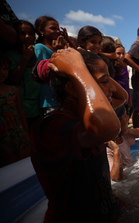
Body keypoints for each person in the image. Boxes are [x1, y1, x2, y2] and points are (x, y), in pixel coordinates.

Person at [30, 48, 127, 222]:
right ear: (73, 89)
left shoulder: (87, 116)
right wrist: (78, 69)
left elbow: (122, 96)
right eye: (104, 81)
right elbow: (108, 127)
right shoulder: (49, 126)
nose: (112, 87)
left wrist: (85, 65)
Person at [4, 20, 43, 127]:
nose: (27, 36)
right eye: (22, 33)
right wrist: (25, 58)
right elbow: (13, 79)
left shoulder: (38, 54)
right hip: (20, 111)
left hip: (39, 110)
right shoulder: (9, 56)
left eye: (31, 33)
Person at [0, 55, 30, 167]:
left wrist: (26, 131)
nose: (2, 72)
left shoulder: (13, 90)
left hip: (16, 131)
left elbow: (20, 111)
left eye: (5, 69)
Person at [34, 16, 68, 113]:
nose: (57, 31)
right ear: (41, 30)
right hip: (49, 98)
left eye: (58, 29)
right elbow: (44, 72)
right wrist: (58, 52)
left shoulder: (58, 47)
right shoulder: (39, 47)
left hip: (61, 97)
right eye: (53, 28)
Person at [106, 105, 139, 181]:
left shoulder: (123, 136)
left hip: (129, 174)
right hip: (121, 184)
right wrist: (116, 150)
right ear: (117, 121)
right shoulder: (109, 149)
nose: (127, 117)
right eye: (125, 115)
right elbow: (116, 178)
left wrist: (128, 131)